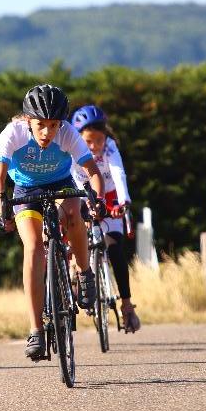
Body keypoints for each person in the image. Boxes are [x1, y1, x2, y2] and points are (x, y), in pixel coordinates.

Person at [0, 84, 105, 361]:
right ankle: (35, 330)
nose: (47, 132)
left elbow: (92, 171)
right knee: (33, 248)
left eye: (53, 125)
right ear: (28, 121)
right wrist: (1, 212)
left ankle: (84, 274)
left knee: (74, 213)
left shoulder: (68, 133)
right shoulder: (13, 133)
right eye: (40, 125)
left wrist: (97, 199)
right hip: (26, 190)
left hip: (61, 184)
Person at [70, 104, 140, 333]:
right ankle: (75, 270)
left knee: (116, 249)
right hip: (82, 194)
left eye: (98, 140)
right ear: (79, 138)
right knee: (73, 234)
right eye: (88, 141)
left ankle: (127, 306)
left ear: (105, 136)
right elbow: (72, 177)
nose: (94, 146)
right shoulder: (72, 149)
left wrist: (124, 202)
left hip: (109, 197)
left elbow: (118, 173)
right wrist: (84, 204)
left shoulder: (110, 147)